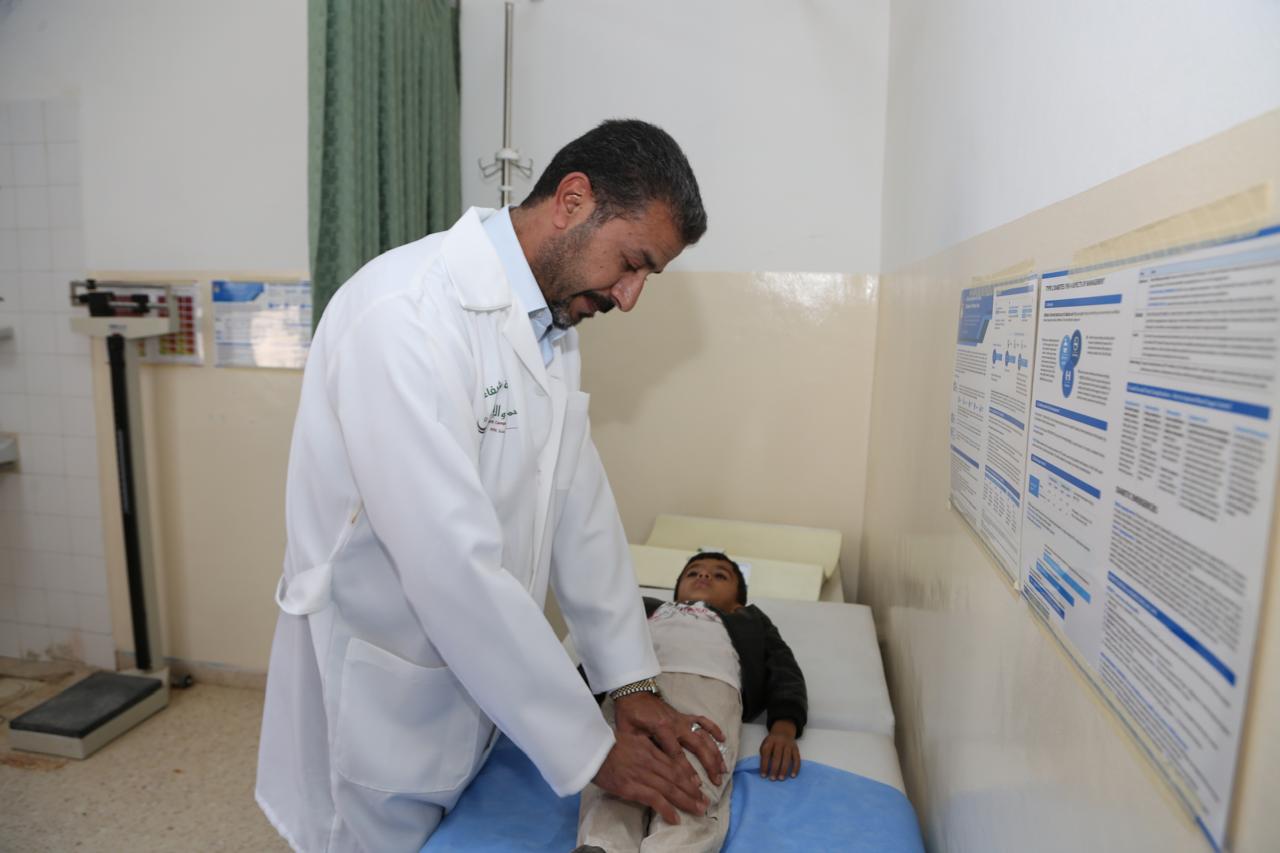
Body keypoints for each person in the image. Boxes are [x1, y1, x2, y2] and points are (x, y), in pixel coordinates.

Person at [256, 120, 726, 853]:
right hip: (381, 694)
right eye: (632, 263)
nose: (630, 296)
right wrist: (591, 747)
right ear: (573, 200)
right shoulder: (405, 317)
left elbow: (578, 506)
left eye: (647, 277)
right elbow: (451, 566)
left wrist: (629, 681)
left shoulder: (549, 328)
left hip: (472, 686)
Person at [575, 552, 808, 853]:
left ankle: (675, 847)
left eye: (720, 575)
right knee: (619, 770)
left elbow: (783, 667)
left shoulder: (750, 620)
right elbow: (600, 651)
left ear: (738, 603)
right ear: (676, 591)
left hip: (709, 686)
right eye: (693, 572)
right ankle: (601, 845)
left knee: (695, 777)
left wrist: (783, 727)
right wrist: (574, 708)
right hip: (631, 687)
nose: (704, 575)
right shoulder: (645, 607)